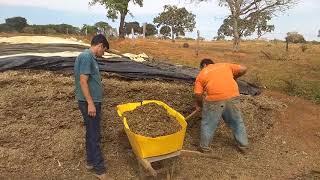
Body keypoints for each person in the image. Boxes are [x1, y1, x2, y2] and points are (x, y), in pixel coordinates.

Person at [74, 34, 113, 180]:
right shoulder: (86, 57)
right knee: (95, 134)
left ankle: (90, 162)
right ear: (100, 45)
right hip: (89, 103)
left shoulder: (90, 58)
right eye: (104, 50)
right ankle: (99, 169)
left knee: (91, 132)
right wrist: (90, 103)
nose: (103, 53)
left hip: (92, 101)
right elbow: (83, 81)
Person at [194, 58, 249, 153]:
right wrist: (235, 77)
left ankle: (204, 148)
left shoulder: (201, 74)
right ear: (212, 63)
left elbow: (198, 94)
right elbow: (244, 68)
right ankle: (243, 146)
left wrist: (200, 105)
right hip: (232, 96)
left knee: (208, 124)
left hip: (214, 100)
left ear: (203, 66)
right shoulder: (225, 65)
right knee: (237, 121)